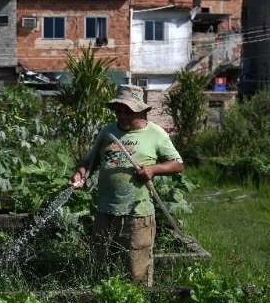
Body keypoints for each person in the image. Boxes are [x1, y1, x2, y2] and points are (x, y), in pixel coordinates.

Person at [69, 84, 184, 286]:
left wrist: (152, 169)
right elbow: (90, 161)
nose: (121, 115)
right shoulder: (107, 132)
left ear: (140, 110)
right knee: (100, 265)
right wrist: (81, 172)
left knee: (137, 270)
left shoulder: (155, 134)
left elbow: (177, 164)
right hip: (106, 211)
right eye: (118, 110)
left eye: (127, 111)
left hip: (138, 214)